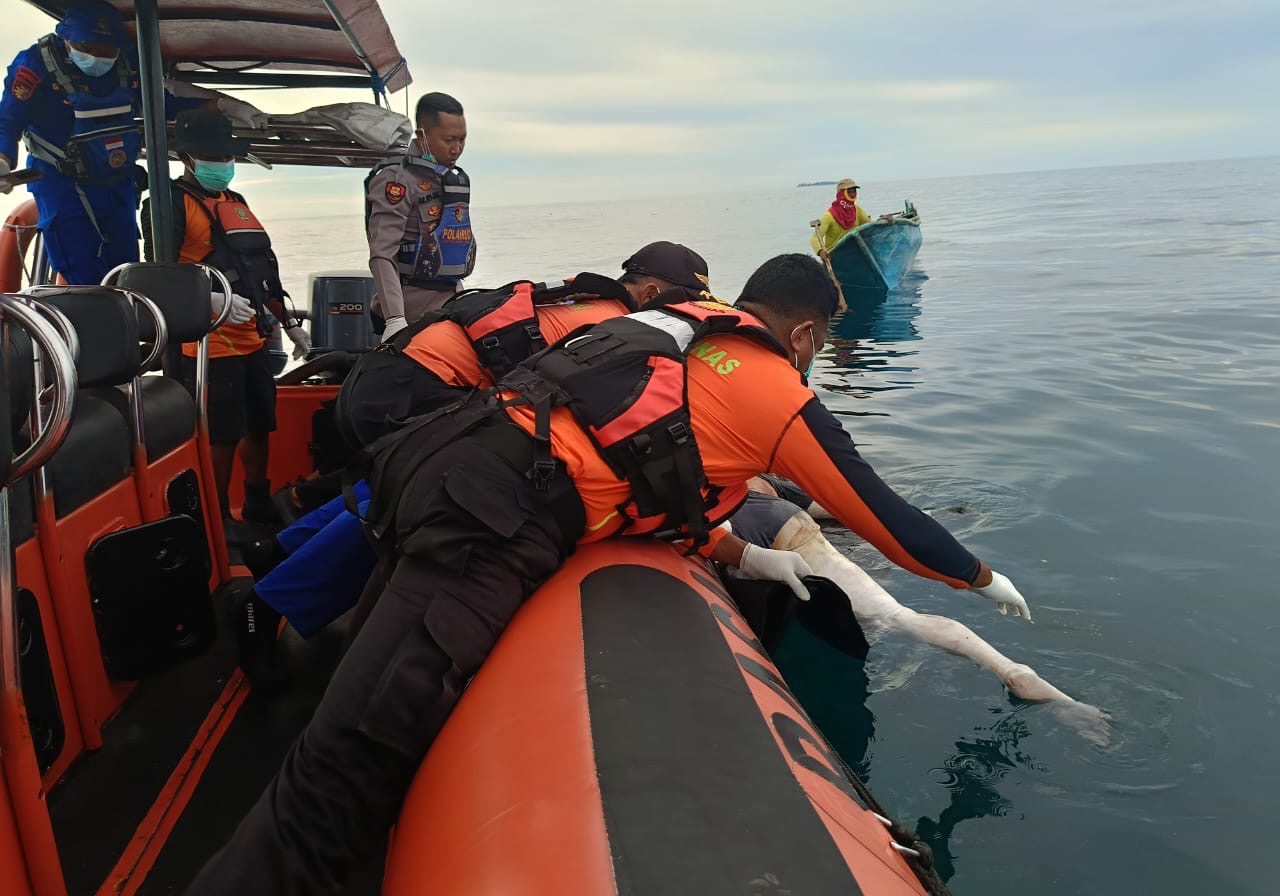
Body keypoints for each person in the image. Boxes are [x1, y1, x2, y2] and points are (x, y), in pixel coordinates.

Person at [187, 253, 1034, 894]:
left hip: (436, 469)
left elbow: (635, 467)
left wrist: (747, 555)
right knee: (346, 765)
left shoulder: (672, 331)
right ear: (807, 334)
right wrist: (980, 575)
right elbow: (888, 518)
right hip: (486, 524)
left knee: (349, 716)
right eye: (821, 343)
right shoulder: (774, 389)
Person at [233, 242, 713, 681]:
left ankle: (280, 551)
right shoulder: (615, 331)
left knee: (395, 483)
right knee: (419, 504)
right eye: (683, 304)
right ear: (652, 293)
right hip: (418, 386)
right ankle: (265, 604)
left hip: (393, 372)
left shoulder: (584, 299)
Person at [732, 477, 1110, 746]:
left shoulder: (711, 473)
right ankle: (1016, 673)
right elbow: (846, 511)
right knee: (896, 616)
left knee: (891, 618)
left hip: (744, 523)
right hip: (780, 515)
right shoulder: (759, 474)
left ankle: (1018, 675)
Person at [0, 0, 266, 284]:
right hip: (61, 182)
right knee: (80, 267)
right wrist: (3, 160)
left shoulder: (129, 62)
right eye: (86, 47)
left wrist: (227, 106)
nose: (96, 56)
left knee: (126, 267)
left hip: (117, 181)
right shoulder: (35, 66)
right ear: (66, 38)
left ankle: (126, 310)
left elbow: (165, 105)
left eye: (105, 50)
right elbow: (8, 121)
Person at [141, 108, 310, 528]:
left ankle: (257, 502)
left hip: (253, 336)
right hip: (206, 347)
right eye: (213, 157)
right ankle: (215, 519)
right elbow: (158, 276)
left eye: (227, 156)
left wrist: (289, 324)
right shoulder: (167, 204)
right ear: (187, 158)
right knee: (222, 433)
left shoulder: (236, 203)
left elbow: (262, 271)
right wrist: (212, 301)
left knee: (259, 424)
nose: (223, 164)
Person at [365, 91, 472, 341]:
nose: (456, 149)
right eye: (449, 140)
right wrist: (395, 318)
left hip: (450, 301)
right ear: (422, 135)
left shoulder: (447, 179)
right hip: (412, 310)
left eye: (462, 139)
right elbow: (382, 253)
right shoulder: (397, 180)